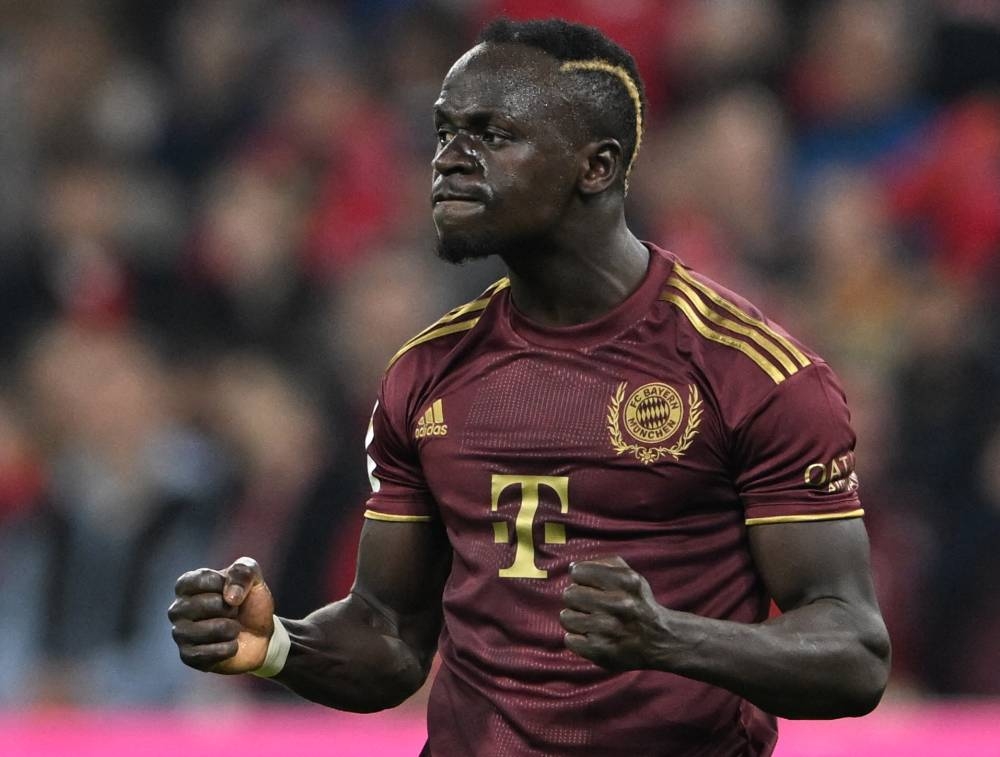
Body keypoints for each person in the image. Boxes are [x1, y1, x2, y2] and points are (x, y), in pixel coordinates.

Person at [168, 17, 890, 756]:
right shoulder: (425, 373)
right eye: (445, 133)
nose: (450, 159)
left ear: (596, 167)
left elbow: (855, 653)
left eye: (492, 134)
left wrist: (673, 639)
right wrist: (276, 644)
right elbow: (390, 636)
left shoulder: (750, 373)